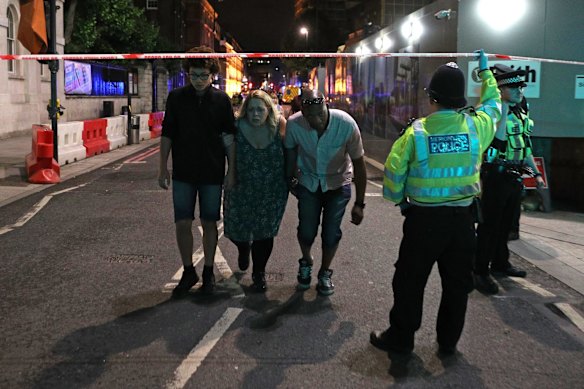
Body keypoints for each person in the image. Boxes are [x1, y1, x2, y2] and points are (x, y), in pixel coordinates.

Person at [370, 50, 502, 357]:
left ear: (433, 98)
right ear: (459, 99)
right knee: (457, 285)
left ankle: (401, 339)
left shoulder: (415, 134)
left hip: (423, 223)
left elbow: (392, 175)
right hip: (463, 223)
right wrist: (485, 72)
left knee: (409, 281)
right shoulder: (475, 128)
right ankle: (448, 342)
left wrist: (401, 203)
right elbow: (494, 107)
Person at [158, 46, 236, 297]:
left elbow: (228, 137)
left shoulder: (222, 100)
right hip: (183, 171)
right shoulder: (176, 98)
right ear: (187, 73)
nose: (199, 80)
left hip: (212, 171)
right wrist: (163, 167)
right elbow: (167, 133)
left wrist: (231, 169)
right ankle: (189, 270)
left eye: (204, 75)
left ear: (212, 74)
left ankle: (209, 271)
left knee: (209, 222)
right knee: (182, 222)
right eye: (194, 75)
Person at [284, 89, 367, 296]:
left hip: (337, 183)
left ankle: (324, 272)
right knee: (306, 230)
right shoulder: (295, 124)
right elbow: (290, 154)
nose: (317, 120)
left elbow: (359, 163)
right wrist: (290, 179)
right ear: (302, 111)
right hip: (309, 181)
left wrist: (360, 203)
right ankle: (306, 260)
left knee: (331, 233)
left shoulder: (346, 124)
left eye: (320, 113)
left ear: (326, 106)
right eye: (310, 115)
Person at [474, 65, 545, 294]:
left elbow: (525, 147)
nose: (519, 91)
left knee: (507, 226)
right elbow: (500, 141)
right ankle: (480, 271)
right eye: (512, 87)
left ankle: (500, 263)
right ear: (499, 89)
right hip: (496, 174)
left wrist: (535, 173)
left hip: (515, 176)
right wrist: (503, 109)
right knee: (489, 226)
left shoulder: (522, 110)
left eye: (520, 87)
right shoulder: (491, 111)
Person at [223, 89, 289, 292]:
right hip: (243, 185)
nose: (255, 114)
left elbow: (290, 152)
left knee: (265, 232)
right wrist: (231, 174)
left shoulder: (280, 125)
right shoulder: (237, 126)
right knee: (235, 227)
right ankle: (243, 247)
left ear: (269, 110)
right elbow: (230, 152)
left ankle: (259, 272)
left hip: (272, 188)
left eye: (260, 110)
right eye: (251, 110)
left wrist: (292, 177)